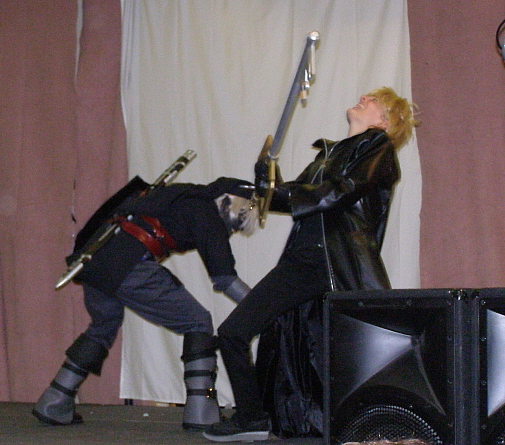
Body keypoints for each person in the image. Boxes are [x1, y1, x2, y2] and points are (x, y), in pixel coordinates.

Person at [203, 87, 418, 442]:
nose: (364, 98)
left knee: (238, 332)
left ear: (384, 121)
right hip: (309, 259)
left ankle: (252, 418)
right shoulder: (328, 156)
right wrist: (265, 185)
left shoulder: (377, 146)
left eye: (374, 101)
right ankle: (260, 418)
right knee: (296, 349)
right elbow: (293, 198)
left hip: (331, 260)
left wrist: (281, 191)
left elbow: (340, 192)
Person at [33, 176, 259, 431]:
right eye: (240, 218)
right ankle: (201, 411)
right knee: (198, 321)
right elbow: (225, 278)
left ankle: (54, 401)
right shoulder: (205, 211)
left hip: (95, 261)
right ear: (228, 202)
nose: (235, 228)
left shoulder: (179, 194)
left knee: (102, 327)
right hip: (129, 265)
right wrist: (263, 307)